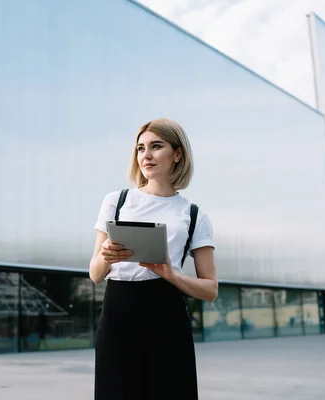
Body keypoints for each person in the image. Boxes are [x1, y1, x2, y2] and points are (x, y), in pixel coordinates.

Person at [90, 118, 218, 400]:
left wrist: (174, 276)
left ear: (177, 154)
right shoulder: (117, 201)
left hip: (166, 312)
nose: (145, 155)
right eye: (140, 148)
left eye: (156, 146)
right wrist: (107, 256)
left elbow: (211, 289)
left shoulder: (194, 215)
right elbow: (95, 274)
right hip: (118, 313)